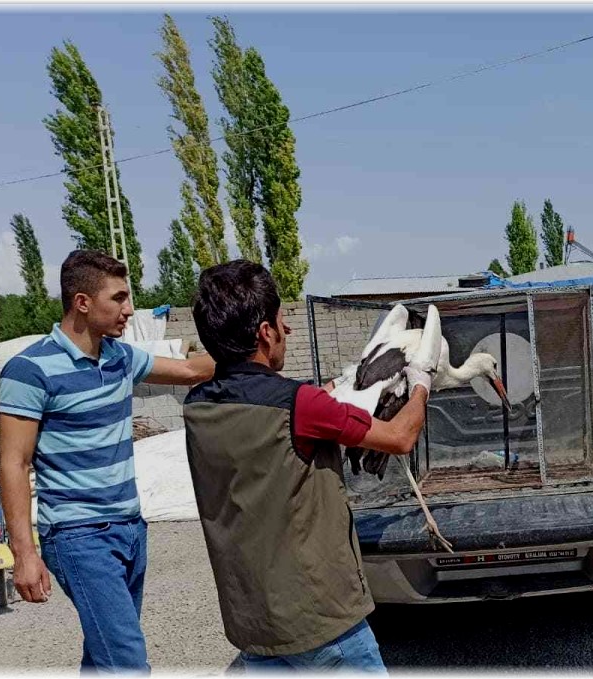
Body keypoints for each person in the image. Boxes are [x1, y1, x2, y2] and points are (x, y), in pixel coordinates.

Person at [183, 260, 437, 673]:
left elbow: (275, 402)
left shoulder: (199, 406)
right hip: (321, 623)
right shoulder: (299, 406)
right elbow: (400, 437)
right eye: (282, 321)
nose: (289, 330)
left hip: (252, 621)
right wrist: (422, 379)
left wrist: (347, 380)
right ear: (265, 333)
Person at [0, 250, 217, 673]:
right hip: (79, 537)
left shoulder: (121, 358)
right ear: (82, 303)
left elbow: (191, 371)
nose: (129, 309)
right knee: (127, 662)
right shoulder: (29, 370)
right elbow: (14, 464)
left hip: (131, 529)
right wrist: (24, 553)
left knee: (104, 658)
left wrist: (250, 350)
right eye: (118, 298)